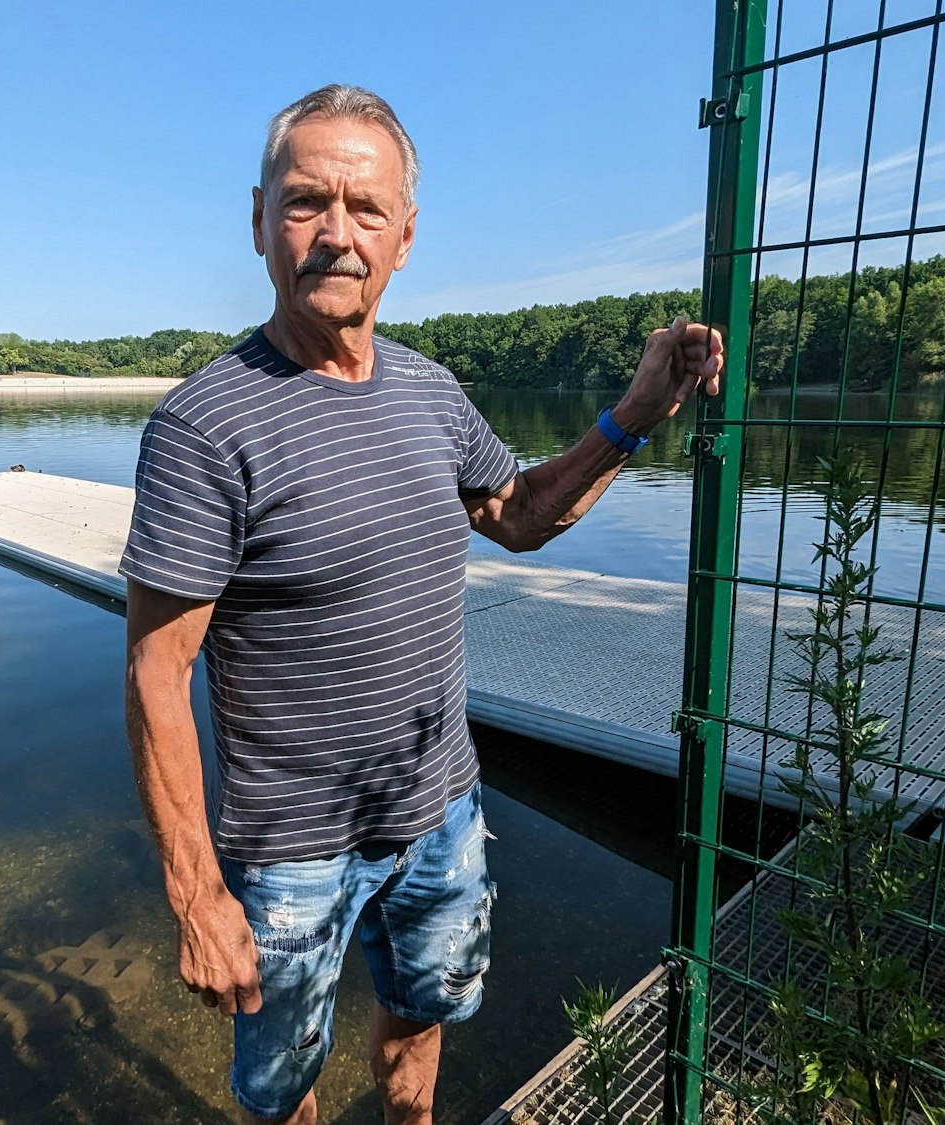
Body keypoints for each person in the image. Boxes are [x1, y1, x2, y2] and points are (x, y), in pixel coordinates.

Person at [120, 84, 723, 1125]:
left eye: (366, 209)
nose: (336, 234)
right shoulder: (203, 427)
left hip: (440, 812)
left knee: (418, 1026)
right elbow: (155, 672)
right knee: (283, 1090)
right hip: (291, 852)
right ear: (259, 220)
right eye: (306, 202)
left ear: (404, 237)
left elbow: (519, 513)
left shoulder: (430, 392)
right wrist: (196, 893)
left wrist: (635, 412)